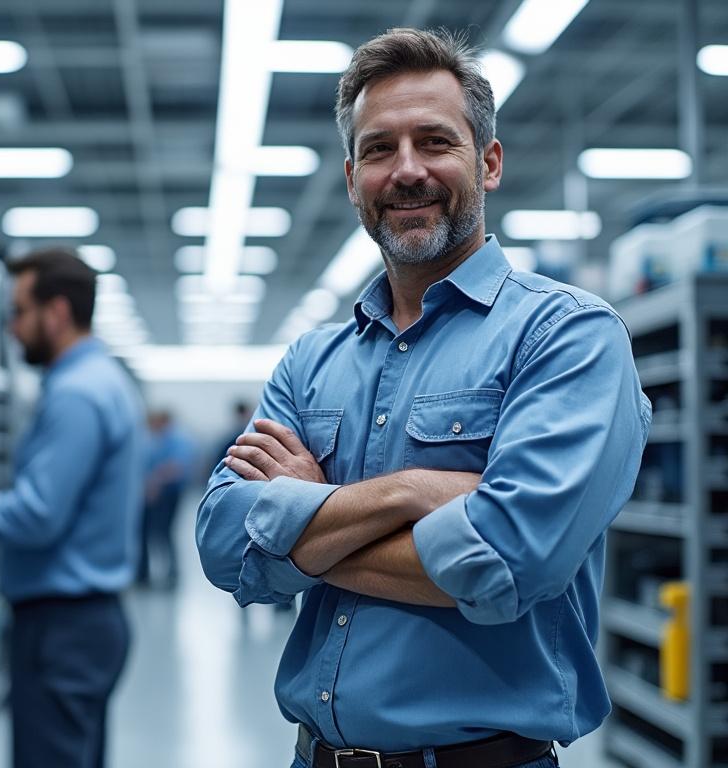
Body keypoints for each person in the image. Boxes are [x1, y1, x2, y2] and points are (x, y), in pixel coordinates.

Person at [196, 27, 651, 768]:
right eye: (379, 149)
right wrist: (415, 492)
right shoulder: (314, 359)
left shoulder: (568, 338)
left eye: (435, 142)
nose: (407, 170)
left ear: (489, 161)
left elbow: (507, 564)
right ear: (351, 179)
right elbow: (223, 543)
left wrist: (305, 520)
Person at [0, 247, 145, 768]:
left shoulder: (76, 393)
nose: (12, 329)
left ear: (56, 312)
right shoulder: (103, 381)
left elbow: (39, 515)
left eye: (18, 313)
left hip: (63, 629)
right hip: (86, 621)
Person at [137, 410, 196, 589]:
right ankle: (148, 574)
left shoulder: (177, 439)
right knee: (155, 533)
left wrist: (155, 481)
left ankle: (172, 575)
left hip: (169, 493)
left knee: (165, 532)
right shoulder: (160, 439)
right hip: (159, 492)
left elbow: (177, 467)